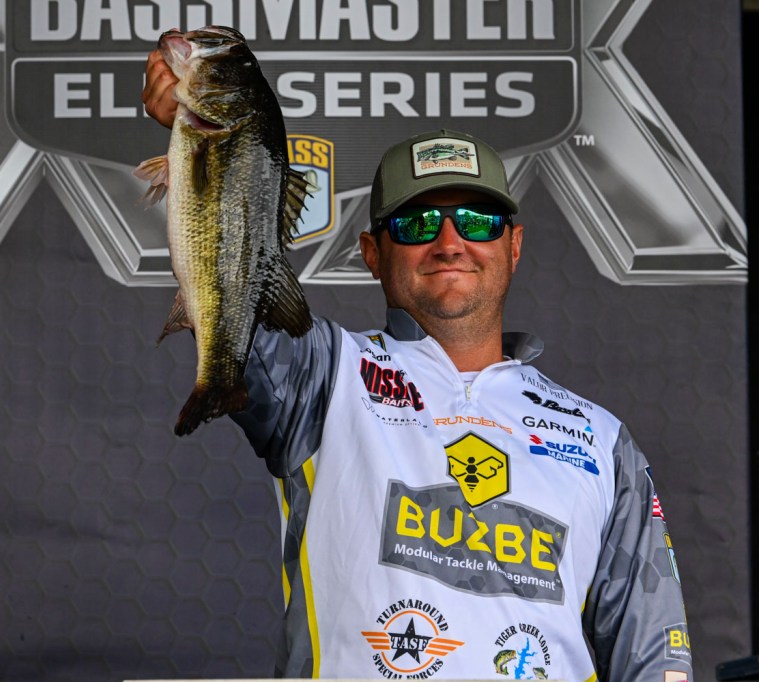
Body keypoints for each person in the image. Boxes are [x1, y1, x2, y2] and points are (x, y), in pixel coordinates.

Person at [143, 51, 693, 682]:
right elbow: (234, 290)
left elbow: (653, 655)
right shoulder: (321, 373)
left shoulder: (602, 440)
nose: (450, 241)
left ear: (513, 246)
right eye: (417, 222)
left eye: (478, 221)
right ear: (372, 252)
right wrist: (208, 141)